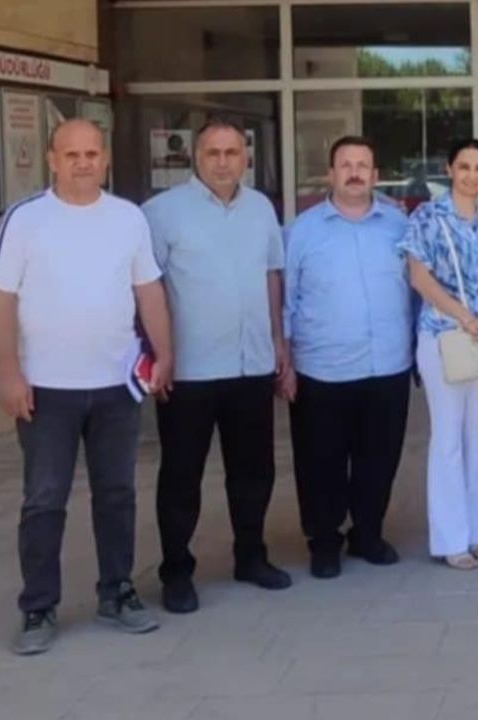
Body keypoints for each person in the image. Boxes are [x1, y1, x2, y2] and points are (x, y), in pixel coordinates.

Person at [0, 119, 173, 655]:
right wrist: (7, 371)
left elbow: (149, 291)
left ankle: (117, 592)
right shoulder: (25, 220)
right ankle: (38, 607)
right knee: (45, 500)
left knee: (116, 494)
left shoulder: (127, 218)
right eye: (72, 154)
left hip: (116, 385)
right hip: (46, 390)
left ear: (105, 159)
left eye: (92, 153)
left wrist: (165, 355)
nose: (83, 163)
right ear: (52, 160)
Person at [142, 118, 292, 614]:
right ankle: (176, 572)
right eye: (213, 153)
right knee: (181, 477)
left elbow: (271, 276)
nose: (223, 162)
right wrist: (158, 354)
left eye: (232, 153)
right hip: (190, 370)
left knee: (254, 472)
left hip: (251, 364)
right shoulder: (161, 213)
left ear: (245, 157)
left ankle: (251, 557)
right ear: (196, 157)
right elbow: (146, 288)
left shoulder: (261, 208)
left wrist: (278, 341)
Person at [282, 136, 413, 579]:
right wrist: (285, 360)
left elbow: (417, 288)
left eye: (363, 165)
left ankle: (368, 534)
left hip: (387, 364)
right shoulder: (302, 231)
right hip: (322, 369)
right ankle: (323, 541)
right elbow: (285, 299)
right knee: (321, 462)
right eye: (345, 165)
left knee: (380, 458)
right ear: (330, 174)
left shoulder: (399, 226)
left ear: (375, 175)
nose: (355, 173)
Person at [399, 138, 478, 571]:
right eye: (464, 167)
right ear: (449, 170)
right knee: (447, 436)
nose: (471, 175)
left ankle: (475, 530)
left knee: (476, 434)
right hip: (445, 336)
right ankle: (451, 538)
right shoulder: (428, 218)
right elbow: (419, 278)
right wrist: (464, 316)